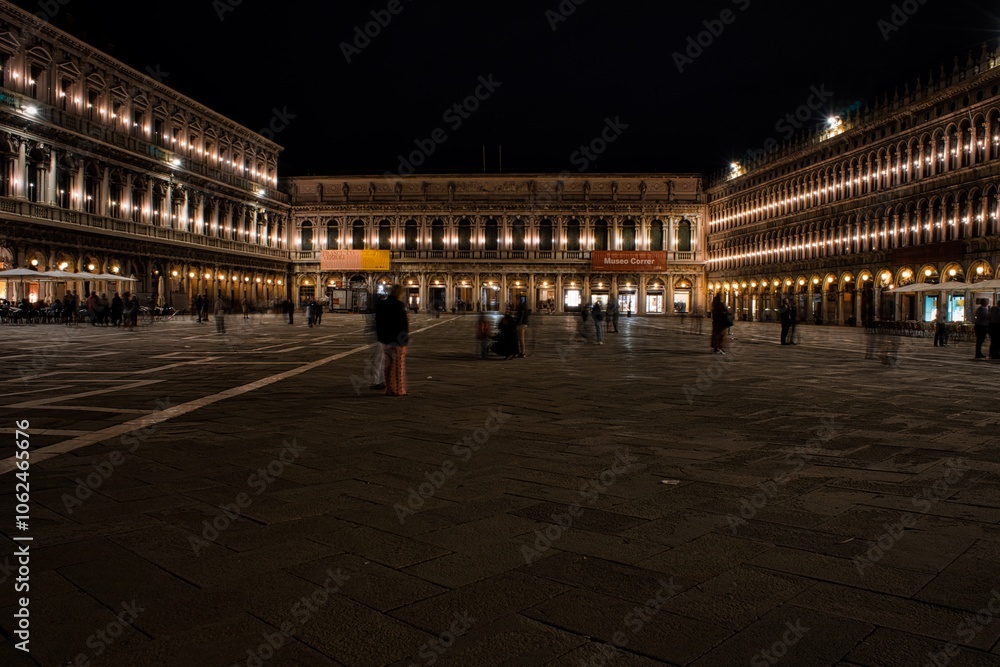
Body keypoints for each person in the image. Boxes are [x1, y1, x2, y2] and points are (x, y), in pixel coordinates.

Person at [376, 284, 409, 396]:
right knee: (398, 365)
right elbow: (403, 324)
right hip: (397, 340)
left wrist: (381, 337)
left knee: (388, 365)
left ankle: (389, 389)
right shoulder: (399, 305)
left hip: (385, 340)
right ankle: (399, 389)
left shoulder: (383, 304)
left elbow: (378, 322)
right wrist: (404, 340)